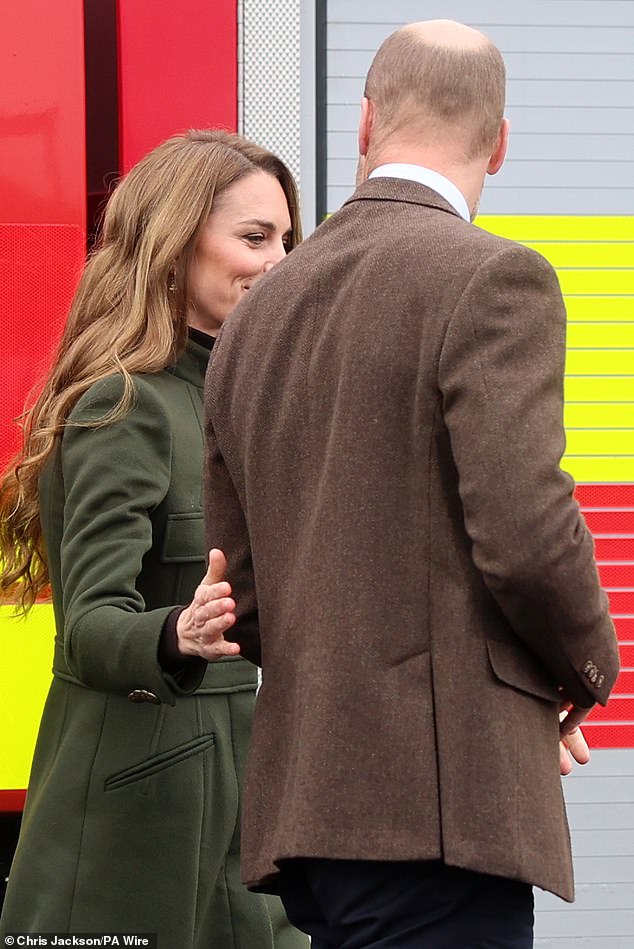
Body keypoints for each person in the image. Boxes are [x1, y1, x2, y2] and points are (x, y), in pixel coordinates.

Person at [202, 21, 621, 949]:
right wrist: (581, 665)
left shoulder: (255, 314)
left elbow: (244, 592)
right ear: (499, 143)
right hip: (439, 816)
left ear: (364, 122)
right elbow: (525, 531)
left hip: (310, 814)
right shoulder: (496, 278)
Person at [0, 129, 308, 949]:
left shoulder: (253, 400)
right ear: (175, 247)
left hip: (253, 791)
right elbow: (90, 626)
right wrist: (177, 632)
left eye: (286, 239)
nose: (279, 261)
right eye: (254, 237)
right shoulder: (123, 404)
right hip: (141, 814)